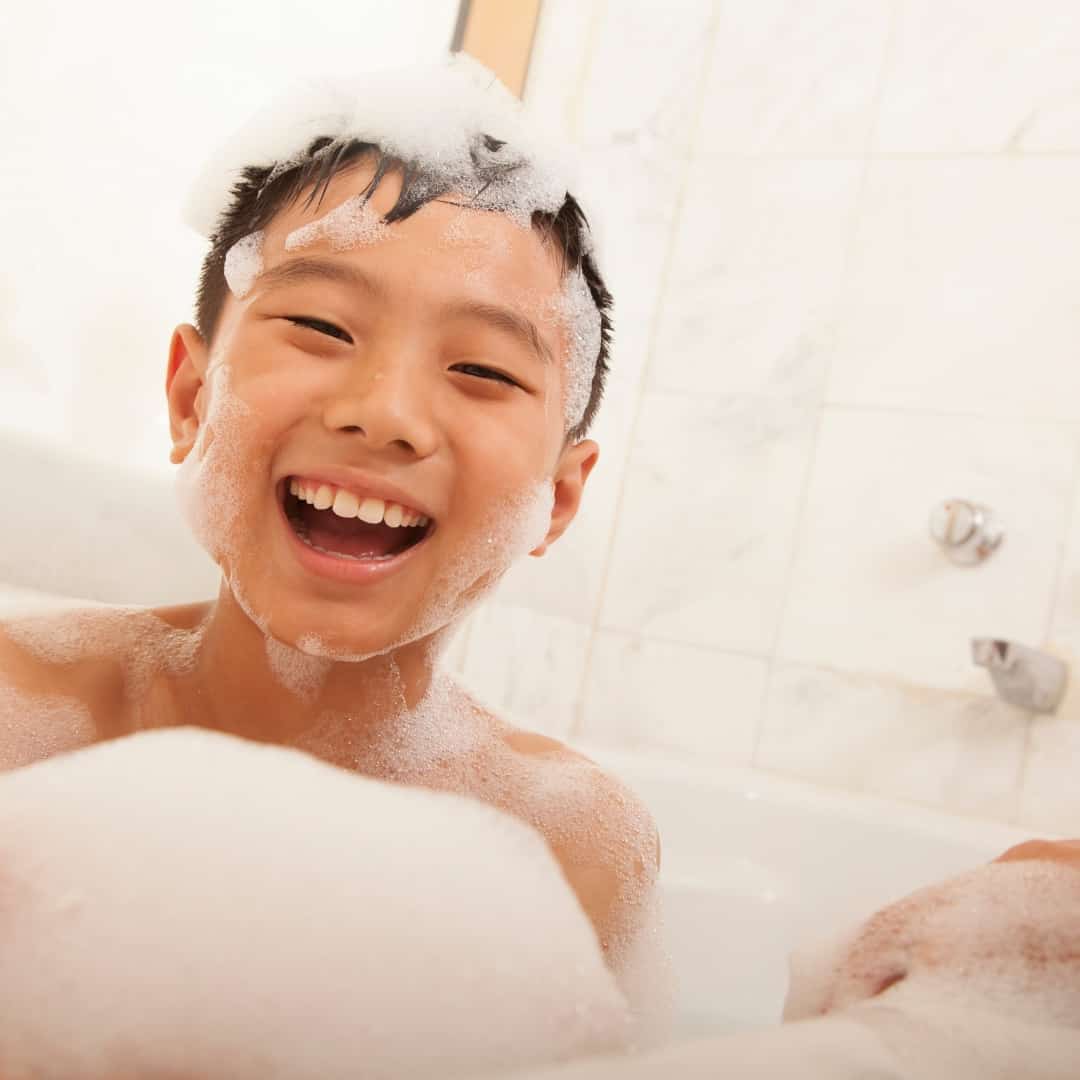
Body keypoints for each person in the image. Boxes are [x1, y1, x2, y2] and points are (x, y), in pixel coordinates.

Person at [0, 57, 661, 983]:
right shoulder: (21, 719)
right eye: (322, 327)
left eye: (482, 371)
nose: (384, 412)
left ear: (557, 497)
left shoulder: (569, 850)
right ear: (192, 398)